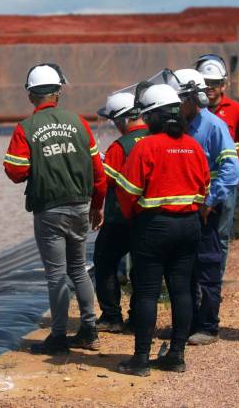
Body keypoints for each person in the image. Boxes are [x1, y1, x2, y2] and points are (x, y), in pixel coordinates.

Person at [3, 63, 107, 355]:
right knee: (79, 269)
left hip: (49, 211)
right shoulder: (79, 123)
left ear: (30, 96)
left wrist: (40, 162)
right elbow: (99, 173)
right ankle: (89, 330)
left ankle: (59, 336)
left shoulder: (26, 128)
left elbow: (14, 171)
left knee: (56, 275)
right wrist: (97, 207)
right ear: (58, 92)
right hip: (81, 205)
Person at [114, 84, 210, 376]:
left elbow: (127, 191)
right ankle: (176, 355)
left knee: (146, 293)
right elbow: (204, 187)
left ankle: (141, 360)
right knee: (181, 289)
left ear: (152, 116)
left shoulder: (146, 147)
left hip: (154, 227)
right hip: (189, 226)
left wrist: (134, 218)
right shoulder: (192, 145)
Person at [172, 68, 239, 346]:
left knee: (208, 267)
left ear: (190, 99)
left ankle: (208, 326)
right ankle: (187, 323)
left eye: (178, 101)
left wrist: (209, 201)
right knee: (184, 268)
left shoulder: (213, 127)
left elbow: (231, 170)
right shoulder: (178, 126)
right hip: (184, 210)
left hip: (207, 209)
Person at [195, 54, 239, 277]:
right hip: (196, 183)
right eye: (205, 83)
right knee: (194, 230)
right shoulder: (191, 109)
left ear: (224, 84)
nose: (210, 88)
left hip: (224, 183)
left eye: (214, 83)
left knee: (221, 234)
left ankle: (216, 276)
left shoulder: (236, 110)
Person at [94, 91, 148, 333]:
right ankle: (138, 318)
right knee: (144, 268)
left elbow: (104, 182)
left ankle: (111, 317)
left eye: (115, 121)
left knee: (104, 262)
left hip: (120, 218)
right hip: (150, 218)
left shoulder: (119, 147)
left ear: (123, 119)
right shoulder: (158, 137)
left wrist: (95, 208)